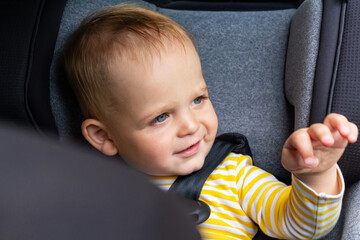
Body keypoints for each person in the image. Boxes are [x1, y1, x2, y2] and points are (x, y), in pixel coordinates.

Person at [63, 4, 358, 239]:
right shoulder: (93, 191)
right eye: (161, 117)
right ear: (105, 137)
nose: (191, 126)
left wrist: (315, 175)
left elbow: (302, 226)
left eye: (198, 100)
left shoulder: (235, 177)